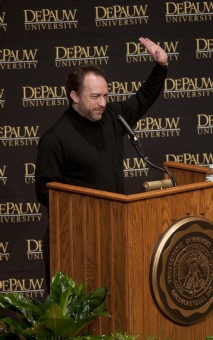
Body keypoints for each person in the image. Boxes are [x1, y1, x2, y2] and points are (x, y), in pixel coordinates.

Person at [35, 37, 168, 290]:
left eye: (106, 95)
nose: (103, 103)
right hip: (74, 241)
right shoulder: (56, 138)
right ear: (74, 96)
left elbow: (141, 100)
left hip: (112, 233)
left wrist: (160, 67)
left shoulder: (111, 116)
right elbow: (46, 192)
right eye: (95, 96)